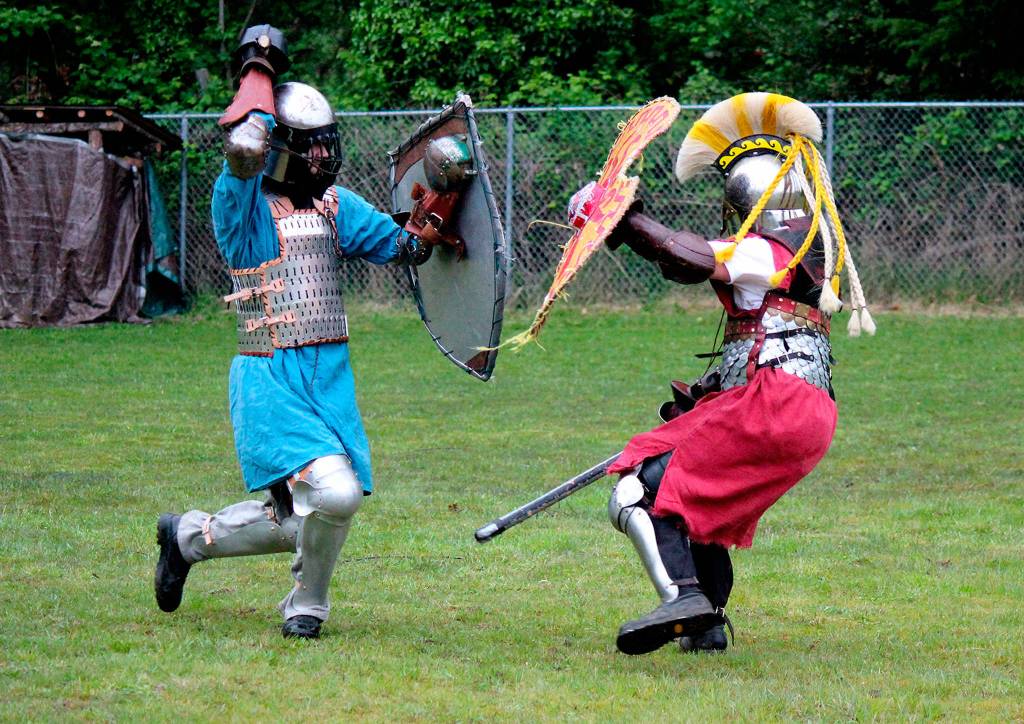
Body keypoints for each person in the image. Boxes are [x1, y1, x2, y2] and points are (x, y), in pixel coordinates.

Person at [153, 26, 438, 639]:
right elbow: (242, 152)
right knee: (333, 496)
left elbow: (399, 245)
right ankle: (307, 605)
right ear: (277, 147)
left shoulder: (333, 205)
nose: (319, 158)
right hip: (271, 374)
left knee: (306, 510)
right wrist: (257, 67)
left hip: (329, 377)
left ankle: (187, 538)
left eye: (324, 145)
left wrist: (434, 219)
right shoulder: (242, 207)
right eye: (306, 147)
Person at [571, 92, 874, 655]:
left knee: (641, 486)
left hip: (776, 404)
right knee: (691, 497)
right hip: (794, 406)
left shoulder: (764, 251)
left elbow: (686, 257)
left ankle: (684, 598)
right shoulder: (803, 255)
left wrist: (621, 215)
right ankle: (706, 627)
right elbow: (749, 317)